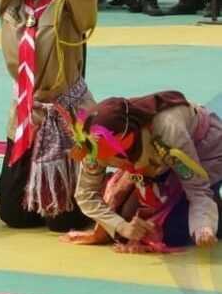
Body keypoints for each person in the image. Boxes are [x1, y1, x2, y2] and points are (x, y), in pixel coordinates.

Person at [0, 0, 107, 232]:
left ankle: (104, 179)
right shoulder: (12, 2)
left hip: (68, 117)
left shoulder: (71, 5)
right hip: (28, 113)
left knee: (67, 221)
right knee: (13, 217)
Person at [62, 91, 222, 253]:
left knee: (174, 233)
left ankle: (217, 209)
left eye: (111, 157)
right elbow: (85, 193)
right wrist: (122, 227)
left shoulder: (168, 132)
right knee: (128, 223)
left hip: (204, 153)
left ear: (128, 140)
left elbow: (197, 190)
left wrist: (204, 227)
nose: (103, 161)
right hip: (154, 164)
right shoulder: (92, 144)